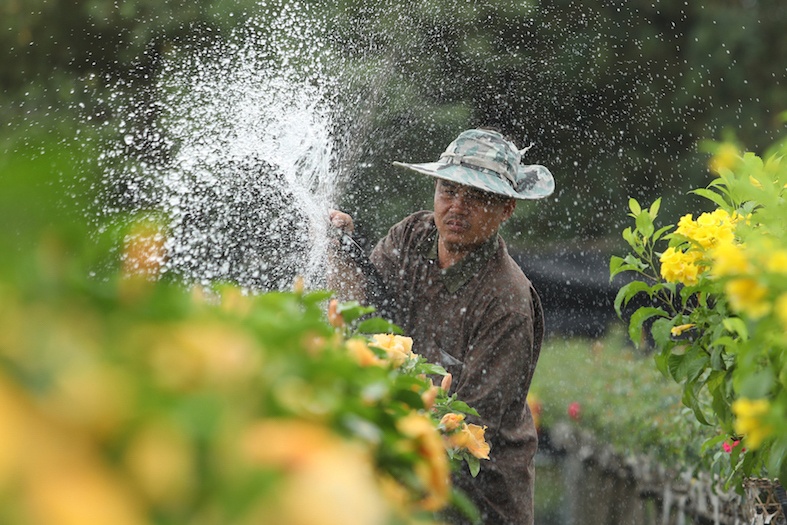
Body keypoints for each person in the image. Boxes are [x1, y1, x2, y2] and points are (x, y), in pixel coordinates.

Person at [328, 128, 555, 524]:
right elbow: (364, 315)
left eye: (477, 196)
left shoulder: (507, 301)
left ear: (506, 209)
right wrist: (343, 251)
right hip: (403, 474)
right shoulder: (413, 235)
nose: (457, 207)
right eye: (448, 191)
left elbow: (469, 429)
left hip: (476, 500)